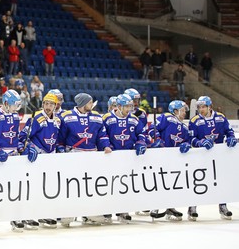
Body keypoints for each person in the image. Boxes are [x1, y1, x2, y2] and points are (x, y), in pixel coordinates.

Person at [0, 90, 39, 232]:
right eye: (15, 104)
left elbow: (16, 136)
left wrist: (21, 147)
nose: (17, 108)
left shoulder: (14, 116)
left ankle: (15, 217)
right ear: (6, 103)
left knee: (14, 188)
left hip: (12, 156)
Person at [57, 93, 112, 225]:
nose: (92, 104)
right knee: (72, 186)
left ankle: (90, 212)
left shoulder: (97, 117)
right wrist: (60, 149)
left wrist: (105, 146)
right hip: (73, 156)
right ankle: (67, 213)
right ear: (82, 104)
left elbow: (102, 135)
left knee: (90, 186)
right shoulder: (66, 117)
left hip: (91, 156)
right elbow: (60, 137)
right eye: (89, 102)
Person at [188, 96, 237, 220]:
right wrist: (200, 143)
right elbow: (191, 139)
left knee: (221, 181)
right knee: (199, 181)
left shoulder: (220, 117)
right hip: (201, 156)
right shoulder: (194, 120)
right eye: (199, 107)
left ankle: (222, 206)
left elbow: (229, 131)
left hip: (218, 156)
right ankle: (192, 206)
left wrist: (231, 137)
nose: (201, 109)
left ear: (210, 106)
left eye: (203, 107)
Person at [102, 94, 147, 223]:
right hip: (111, 157)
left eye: (130, 106)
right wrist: (106, 145)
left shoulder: (133, 119)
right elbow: (102, 134)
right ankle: (106, 210)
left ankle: (123, 210)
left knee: (124, 184)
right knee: (108, 185)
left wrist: (141, 143)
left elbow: (141, 133)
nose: (129, 109)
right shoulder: (107, 118)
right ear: (119, 106)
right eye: (127, 106)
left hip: (128, 156)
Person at [18, 92, 60, 228]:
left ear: (55, 106)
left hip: (50, 158)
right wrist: (28, 148)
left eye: (51, 104)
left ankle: (43, 213)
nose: (48, 107)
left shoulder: (58, 120)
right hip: (35, 157)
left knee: (46, 188)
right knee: (31, 187)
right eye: (46, 104)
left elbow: (58, 139)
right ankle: (25, 216)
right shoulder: (37, 118)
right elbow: (23, 136)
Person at [149, 100, 192, 221]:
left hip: (174, 159)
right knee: (159, 181)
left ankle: (170, 206)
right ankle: (154, 206)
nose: (184, 113)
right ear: (175, 111)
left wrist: (186, 145)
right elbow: (152, 129)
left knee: (172, 183)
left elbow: (187, 140)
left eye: (184, 110)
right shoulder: (167, 118)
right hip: (161, 156)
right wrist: (157, 139)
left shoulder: (184, 126)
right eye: (182, 110)